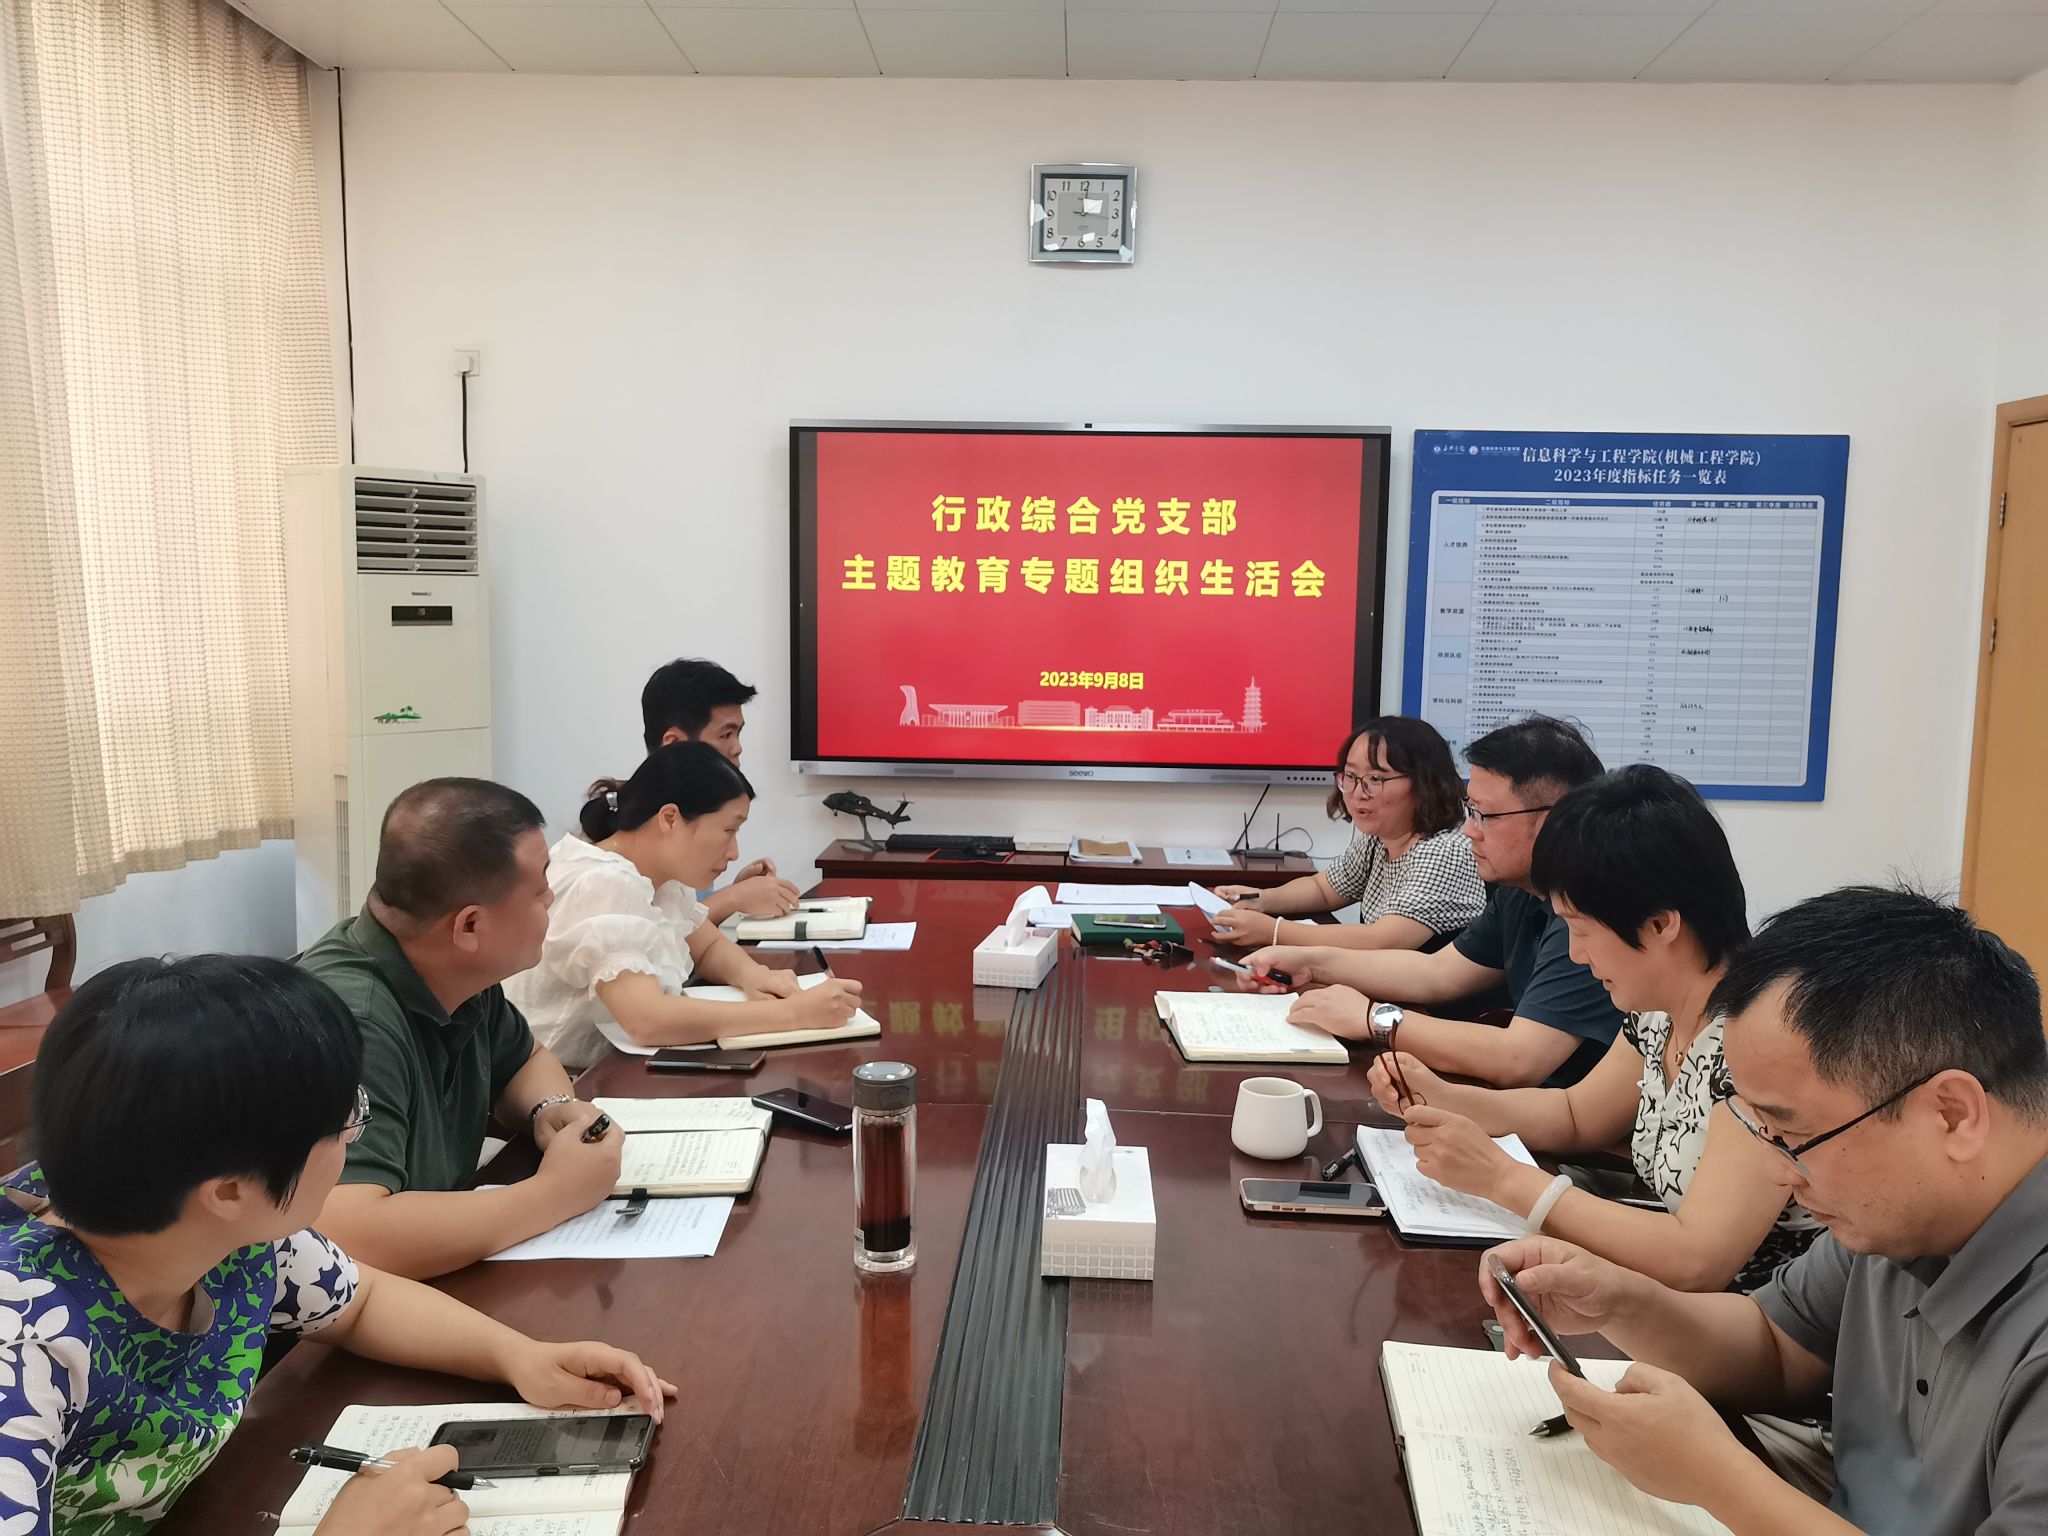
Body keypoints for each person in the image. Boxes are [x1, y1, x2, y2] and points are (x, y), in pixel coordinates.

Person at [0, 954, 675, 1535]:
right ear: (230, 1190)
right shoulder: (24, 1347)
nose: (354, 1137)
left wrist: (519, 1357)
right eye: (344, 1123)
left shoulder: (230, 1237)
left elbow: (360, 1300)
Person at [1480, 886, 2048, 1535]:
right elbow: (1778, 1348)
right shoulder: (1903, 1216)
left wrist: (1716, 1479)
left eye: (1793, 1134)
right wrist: (1615, 1300)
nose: (1778, 1169)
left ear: (1952, 1114)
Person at [1366, 765, 1818, 1292]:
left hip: (1749, 1316)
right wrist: (1444, 1097)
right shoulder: (1659, 1011)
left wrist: (1502, 1177)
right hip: (1659, 1292)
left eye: (1581, 929)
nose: (1577, 955)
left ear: (1661, 924)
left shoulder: (1761, 1042)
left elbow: (1697, 1258)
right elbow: (1577, 1115)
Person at [299, 777, 624, 1280]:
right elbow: (346, 1236)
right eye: (538, 888)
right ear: (469, 926)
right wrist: (555, 1194)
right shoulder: (353, 1022)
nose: (550, 897)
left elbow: (526, 1059)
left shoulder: (452, 969)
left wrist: (551, 1109)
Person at [1246, 714, 1622, 1089]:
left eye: (1484, 815)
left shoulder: (1592, 907)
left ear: (1550, 820)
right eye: (1470, 811)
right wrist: (1310, 964)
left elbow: (1518, 1059)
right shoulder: (1520, 889)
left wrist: (1371, 1018)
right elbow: (1437, 973)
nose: (1469, 830)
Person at [507, 742, 864, 1070]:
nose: (734, 852)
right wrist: (793, 1013)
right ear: (670, 819)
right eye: (728, 830)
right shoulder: (604, 883)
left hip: (608, 1070)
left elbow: (706, 946)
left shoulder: (656, 873)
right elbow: (648, 1020)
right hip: (559, 1083)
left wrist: (756, 976)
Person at [1209, 716, 1484, 952]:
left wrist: (1274, 932)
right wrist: (1259, 900)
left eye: (1375, 779)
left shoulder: (1447, 849)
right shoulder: (1380, 839)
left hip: (1430, 997)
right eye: (1350, 776)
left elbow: (1383, 940)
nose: (1358, 793)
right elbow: (1324, 889)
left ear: (1424, 783)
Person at [641, 656, 799, 923]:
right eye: (726, 735)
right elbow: (656, 932)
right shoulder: (643, 824)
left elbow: (686, 915)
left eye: (738, 733)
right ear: (675, 744)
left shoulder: (701, 806)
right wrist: (732, 898)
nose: (738, 748)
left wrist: (737, 892)